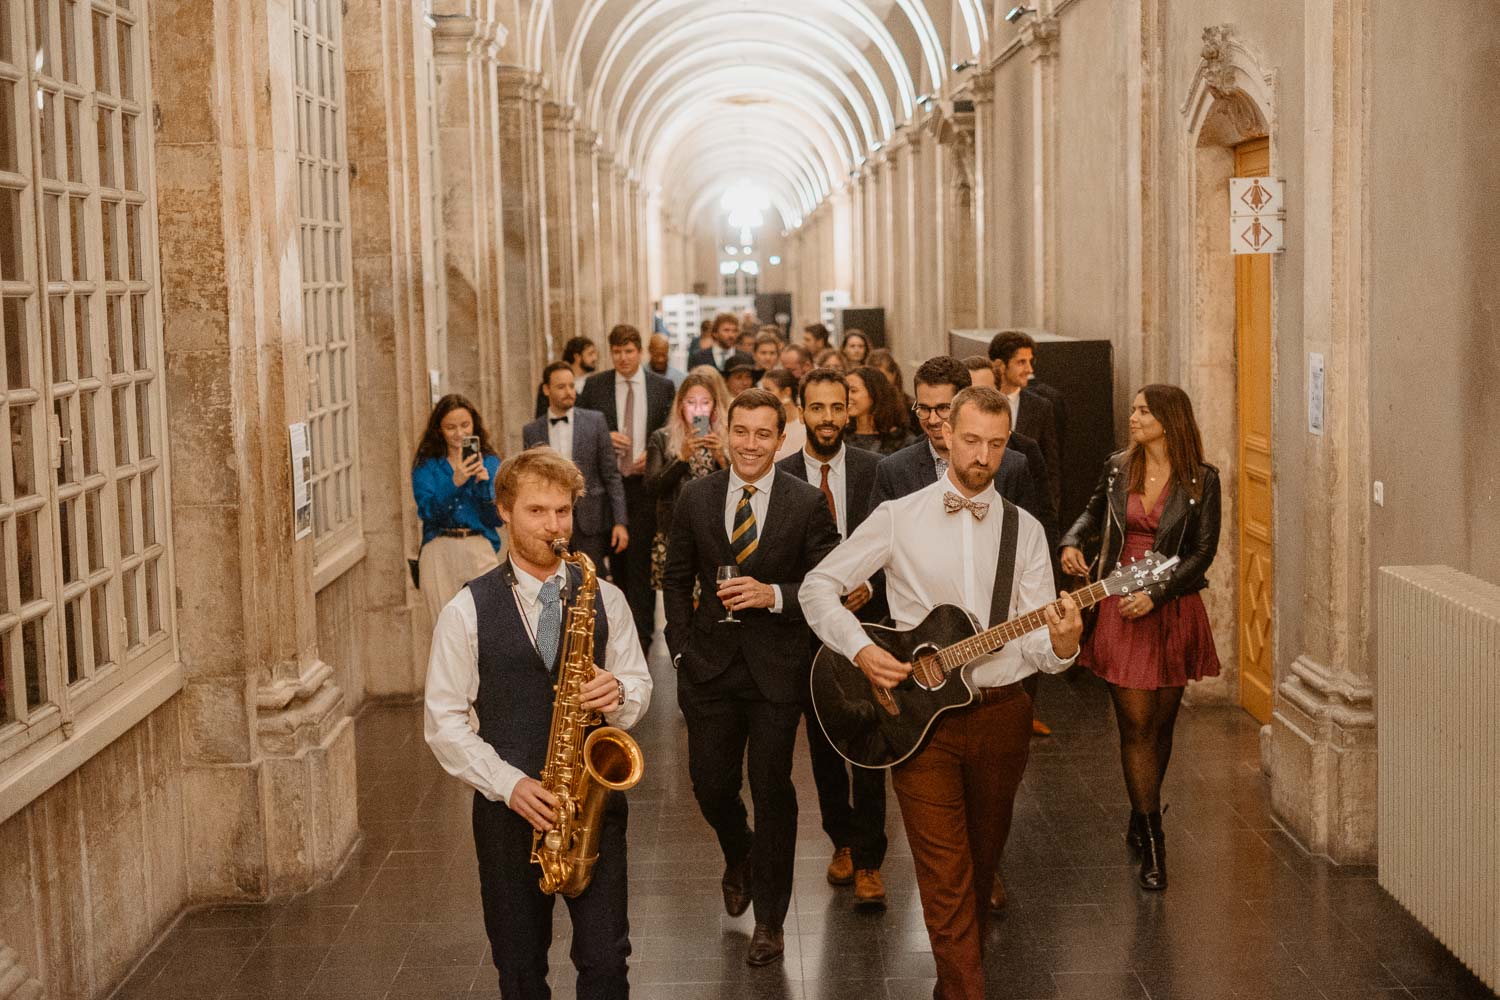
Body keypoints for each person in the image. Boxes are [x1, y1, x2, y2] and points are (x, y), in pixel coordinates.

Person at [802, 387, 1083, 1000]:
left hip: (1004, 714)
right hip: (917, 720)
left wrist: (1061, 645)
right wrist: (861, 649)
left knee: (980, 871)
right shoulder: (899, 517)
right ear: (946, 435)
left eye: (996, 445)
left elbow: (1036, 642)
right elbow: (818, 587)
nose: (982, 456)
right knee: (945, 877)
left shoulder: (1025, 530)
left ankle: (954, 984)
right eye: (972, 440)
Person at [424, 448, 653, 1000]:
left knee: (606, 962)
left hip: (592, 811)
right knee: (521, 972)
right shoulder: (466, 610)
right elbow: (445, 722)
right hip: (509, 815)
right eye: (537, 511)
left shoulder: (607, 597)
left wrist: (618, 691)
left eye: (563, 511)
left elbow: (639, 684)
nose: (554, 526)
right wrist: (510, 784)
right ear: (503, 510)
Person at [662, 388, 841, 967]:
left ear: (780, 437)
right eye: (741, 431)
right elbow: (674, 576)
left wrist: (775, 595)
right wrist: (680, 648)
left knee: (772, 791)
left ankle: (770, 919)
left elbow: (823, 584)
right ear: (726, 429)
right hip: (708, 667)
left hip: (776, 669)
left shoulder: (806, 502)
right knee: (710, 785)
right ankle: (738, 853)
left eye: (764, 434)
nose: (750, 444)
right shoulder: (696, 495)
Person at [1059, 384, 1221, 892]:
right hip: (1117, 604)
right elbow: (1091, 513)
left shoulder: (1202, 480)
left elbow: (1202, 551)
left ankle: (1141, 807)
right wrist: (1071, 540)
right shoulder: (1117, 466)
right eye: (1132, 408)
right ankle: (1154, 838)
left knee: (1161, 726)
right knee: (1135, 727)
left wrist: (1159, 593)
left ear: (1170, 420)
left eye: (1143, 411)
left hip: (1170, 607)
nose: (1133, 416)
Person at [773, 368, 888, 907]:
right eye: (816, 408)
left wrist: (870, 582)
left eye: (836, 407)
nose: (826, 418)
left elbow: (897, 543)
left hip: (871, 624)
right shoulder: (783, 475)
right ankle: (840, 840)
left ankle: (869, 858)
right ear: (801, 412)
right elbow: (779, 554)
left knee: (871, 739)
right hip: (808, 631)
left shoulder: (876, 471)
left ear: (850, 411)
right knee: (822, 744)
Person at [576, 325, 675, 648]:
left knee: (642, 566)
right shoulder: (595, 386)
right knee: (614, 565)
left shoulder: (662, 387)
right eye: (617, 352)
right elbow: (584, 432)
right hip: (608, 488)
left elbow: (671, 430)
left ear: (640, 352)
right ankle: (613, 639)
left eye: (629, 351)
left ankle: (643, 639)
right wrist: (606, 438)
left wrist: (654, 452)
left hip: (645, 487)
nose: (623, 358)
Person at [523, 362, 629, 569]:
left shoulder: (595, 421)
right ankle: (553, 604)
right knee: (550, 581)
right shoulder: (532, 430)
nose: (569, 392)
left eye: (571, 386)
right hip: (549, 523)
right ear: (546, 390)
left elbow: (611, 475)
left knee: (590, 579)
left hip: (590, 521)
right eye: (561, 387)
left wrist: (620, 522)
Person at [412, 394, 503, 625]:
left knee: (488, 622)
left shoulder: (490, 461)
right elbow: (427, 512)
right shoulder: (428, 465)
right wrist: (455, 482)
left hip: (479, 544)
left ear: (474, 424)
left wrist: (483, 485)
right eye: (450, 427)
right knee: (444, 627)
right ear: (439, 430)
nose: (459, 433)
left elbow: (496, 518)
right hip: (439, 548)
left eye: (465, 425)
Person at [645, 371, 730, 589]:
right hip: (674, 532)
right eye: (691, 403)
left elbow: (740, 486)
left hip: (715, 533)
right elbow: (652, 487)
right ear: (680, 405)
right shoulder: (662, 438)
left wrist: (722, 459)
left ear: (714, 406)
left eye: (705, 403)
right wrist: (681, 458)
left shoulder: (726, 436)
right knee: (674, 600)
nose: (698, 410)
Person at [988, 331, 1062, 512]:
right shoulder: (976, 405)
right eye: (1021, 362)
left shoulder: (1041, 407)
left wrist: (1049, 514)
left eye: (1030, 361)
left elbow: (1051, 470)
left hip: (1026, 509)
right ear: (1000, 365)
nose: (1029, 370)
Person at [844, 365, 911, 456]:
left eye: (853, 391)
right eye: (845, 391)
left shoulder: (900, 440)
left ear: (874, 393)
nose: (847, 397)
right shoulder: (841, 437)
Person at [535, 336, 598, 417]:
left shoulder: (596, 384)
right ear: (577, 357)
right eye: (590, 354)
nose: (595, 358)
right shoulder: (550, 385)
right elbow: (541, 419)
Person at [759, 367, 806, 461]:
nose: (762, 395)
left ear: (786, 392)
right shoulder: (762, 423)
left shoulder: (806, 422)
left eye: (768, 390)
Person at [866, 348, 915, 433]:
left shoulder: (910, 406)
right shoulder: (865, 407)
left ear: (893, 375)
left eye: (882, 377)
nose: (878, 383)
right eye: (873, 378)